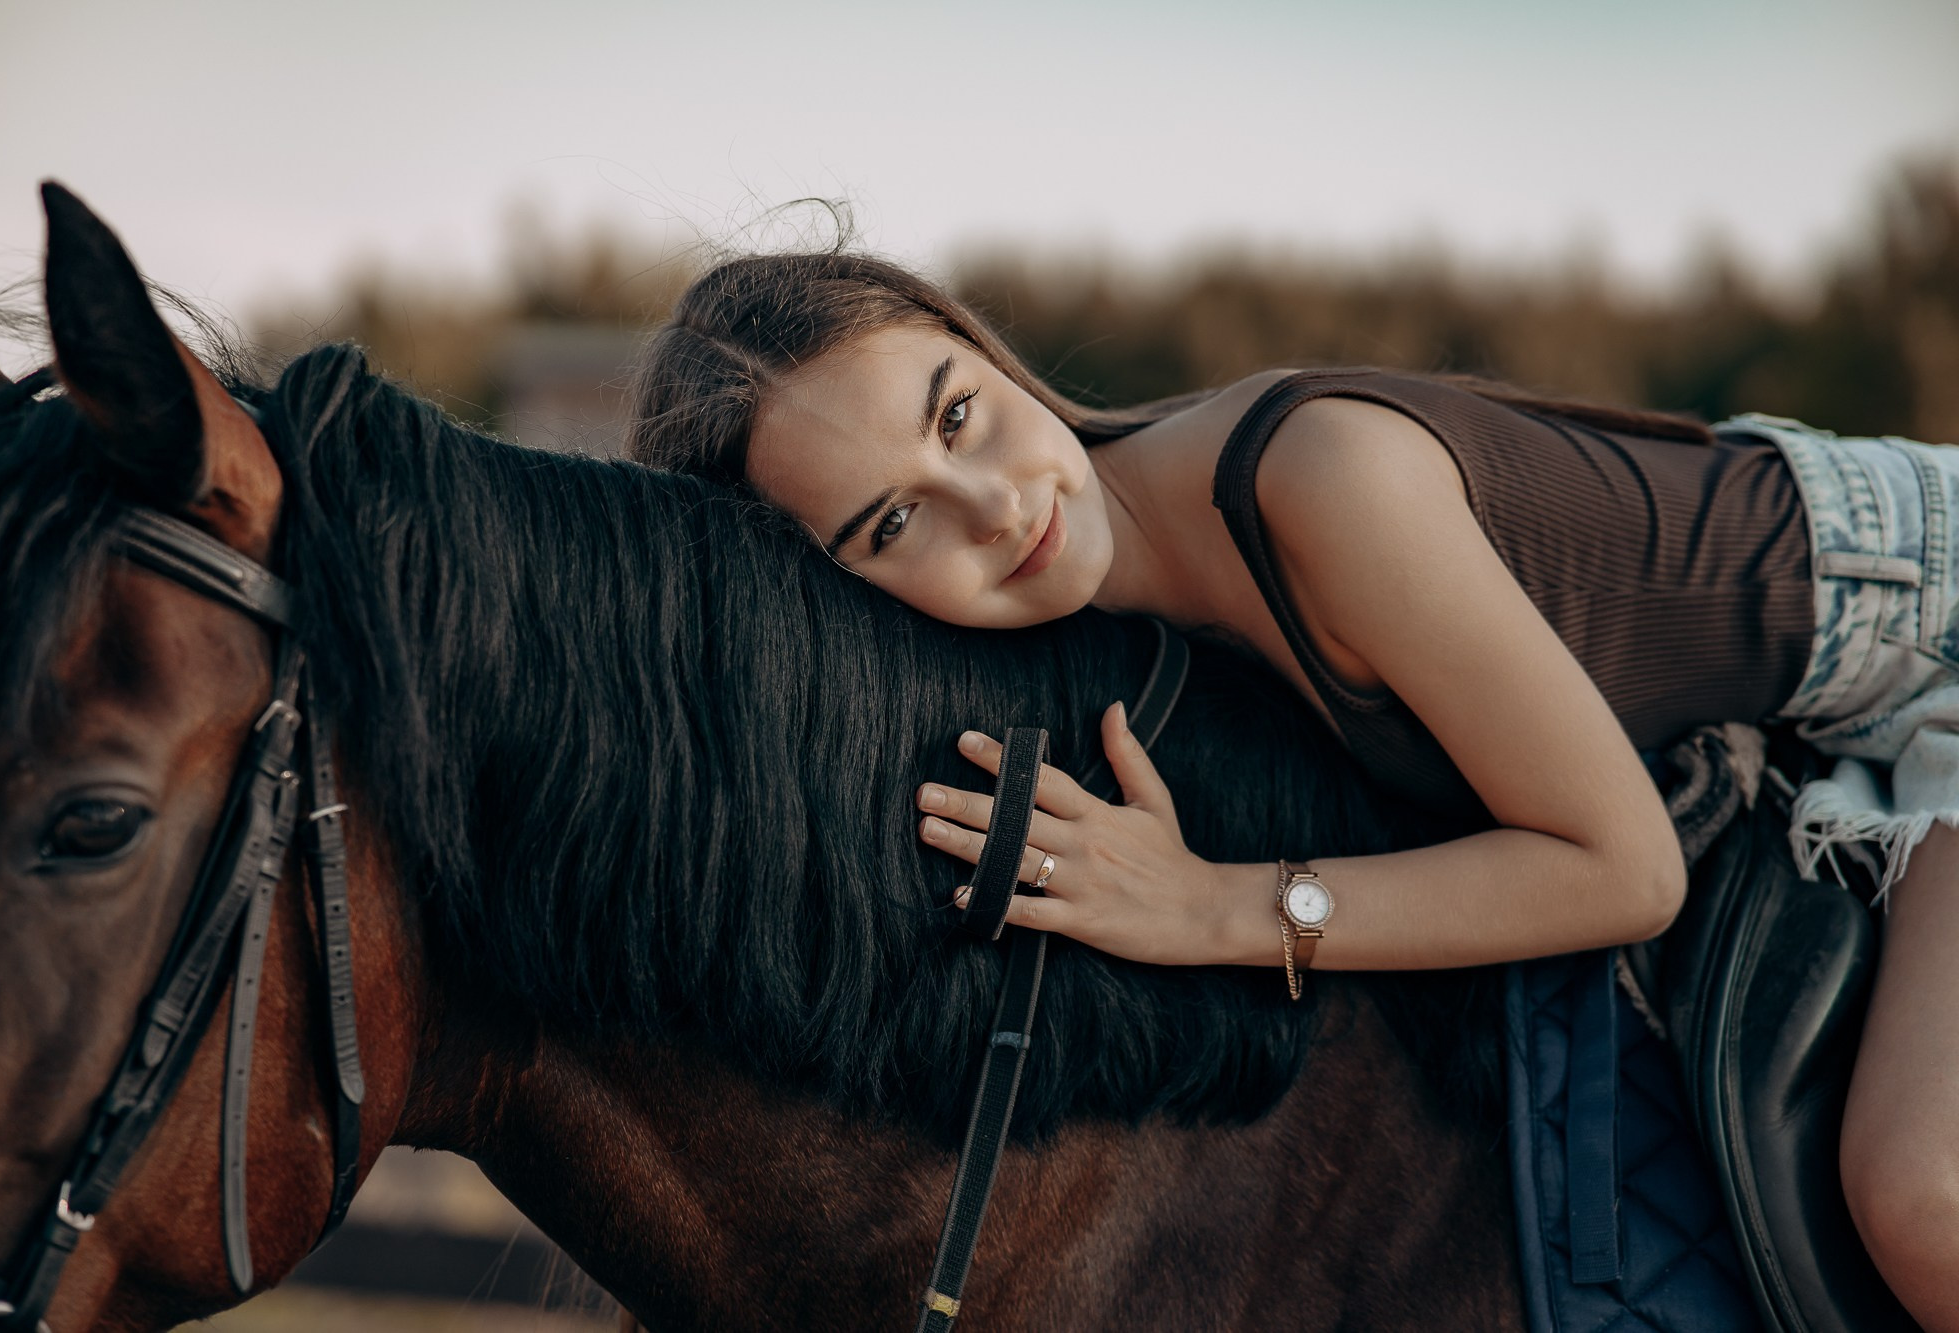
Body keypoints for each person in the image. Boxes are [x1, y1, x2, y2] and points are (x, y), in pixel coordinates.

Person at [625, 251, 1959, 1327]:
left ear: (975, 341)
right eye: (893, 523)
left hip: (1928, 633)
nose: (990, 507)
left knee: (1923, 1198)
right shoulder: (1118, 610)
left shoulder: (1318, 483)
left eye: (956, 411)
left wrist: (1213, 909)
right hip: (1793, 707)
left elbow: (1625, 869)